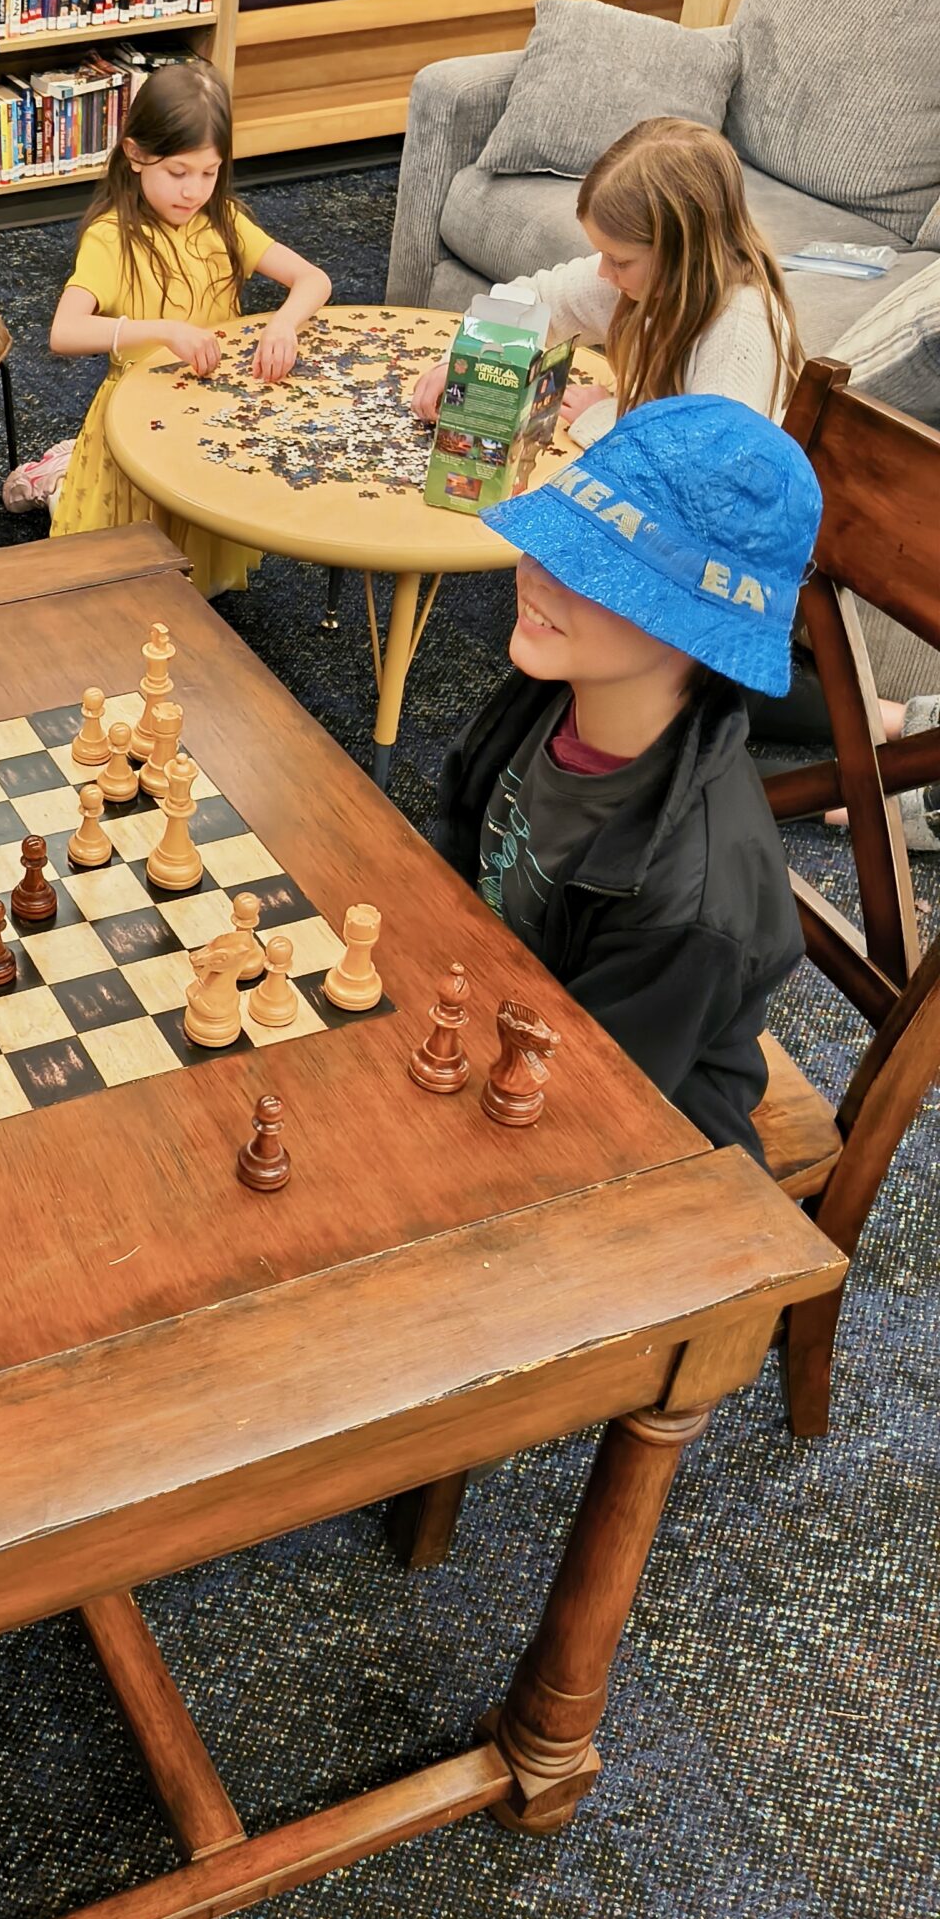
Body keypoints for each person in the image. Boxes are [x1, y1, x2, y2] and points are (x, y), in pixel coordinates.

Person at [431, 391, 823, 1162]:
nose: (538, 573)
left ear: (693, 629)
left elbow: (584, 1106)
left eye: (591, 568)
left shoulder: (694, 907)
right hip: (498, 1004)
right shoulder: (555, 684)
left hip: (631, 1133)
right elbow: (456, 835)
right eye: (548, 542)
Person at [44, 58, 332, 594]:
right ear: (135, 154)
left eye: (209, 172)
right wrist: (162, 331)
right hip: (136, 418)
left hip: (209, 413)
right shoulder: (111, 237)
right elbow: (64, 332)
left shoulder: (223, 221)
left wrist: (284, 325)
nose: (193, 191)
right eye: (178, 173)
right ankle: (56, 480)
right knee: (125, 572)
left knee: (199, 577)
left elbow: (313, 279)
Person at [411, 117, 803, 443]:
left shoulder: (740, 330)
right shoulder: (649, 281)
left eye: (619, 260)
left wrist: (606, 418)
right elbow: (534, 299)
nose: (603, 272)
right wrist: (467, 361)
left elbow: (703, 469)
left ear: (683, 254)